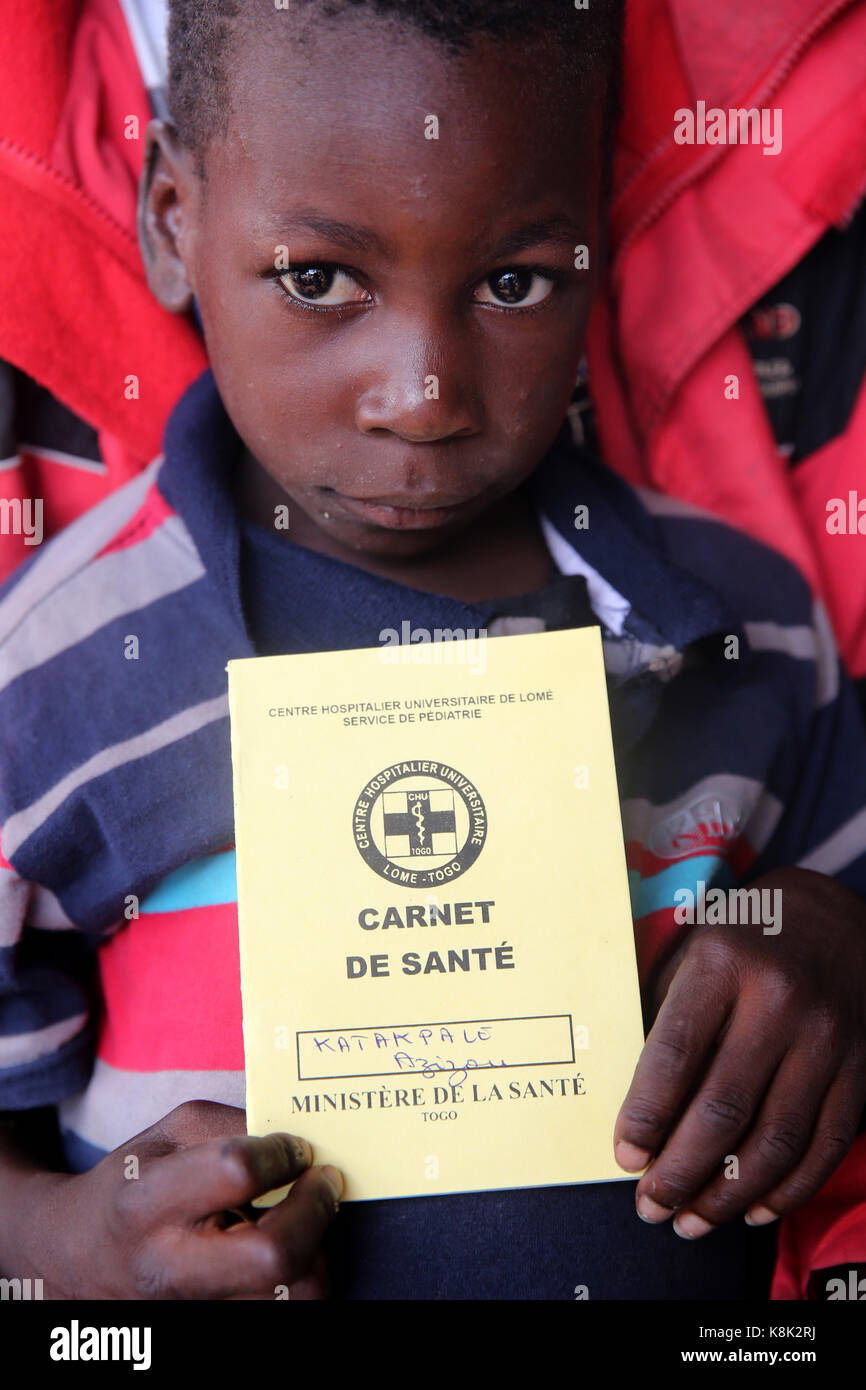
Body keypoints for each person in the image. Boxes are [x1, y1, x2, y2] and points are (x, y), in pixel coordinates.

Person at [0, 0, 865, 1301]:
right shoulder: (51, 670)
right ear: (172, 218)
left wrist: (823, 933)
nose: (424, 395)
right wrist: (55, 1244)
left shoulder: (746, 628)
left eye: (512, 281)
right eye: (318, 278)